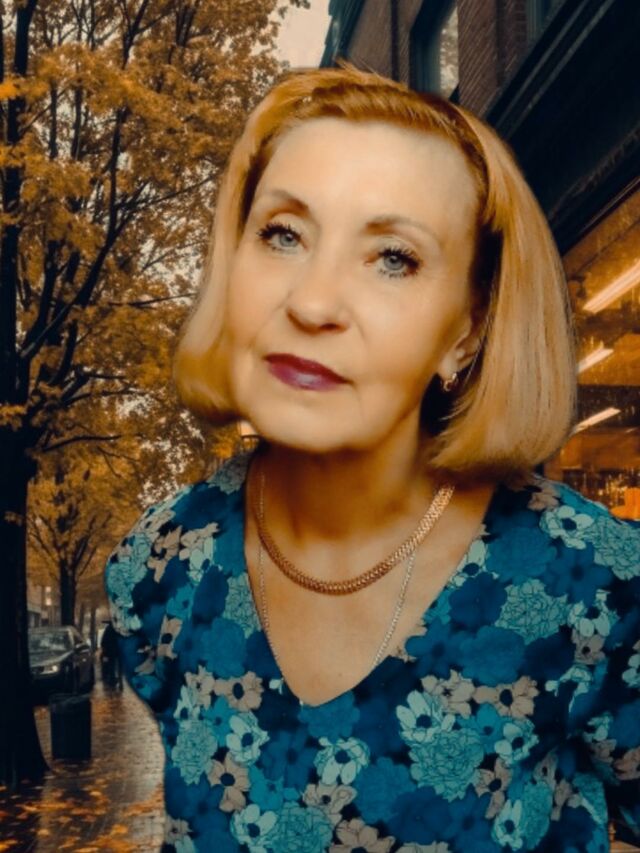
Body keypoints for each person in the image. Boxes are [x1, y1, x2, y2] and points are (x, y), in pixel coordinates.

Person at [104, 62, 640, 852]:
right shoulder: (160, 569)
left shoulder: (594, 584)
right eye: (283, 234)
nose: (313, 302)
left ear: (468, 329)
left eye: (393, 257)